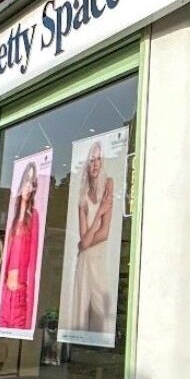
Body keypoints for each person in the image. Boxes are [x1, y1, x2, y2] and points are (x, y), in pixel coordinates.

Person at [66, 140, 115, 334]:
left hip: (99, 261)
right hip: (84, 263)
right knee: (80, 314)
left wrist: (86, 240)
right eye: (91, 159)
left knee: (101, 314)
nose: (95, 164)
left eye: (98, 159)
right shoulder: (82, 196)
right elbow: (84, 241)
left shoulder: (109, 184)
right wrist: (99, 214)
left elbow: (105, 233)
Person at [0, 162, 42, 331]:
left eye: (32, 182)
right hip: (5, 290)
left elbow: (34, 254)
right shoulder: (13, 218)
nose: (28, 185)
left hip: (20, 292)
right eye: (26, 180)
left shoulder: (34, 217)